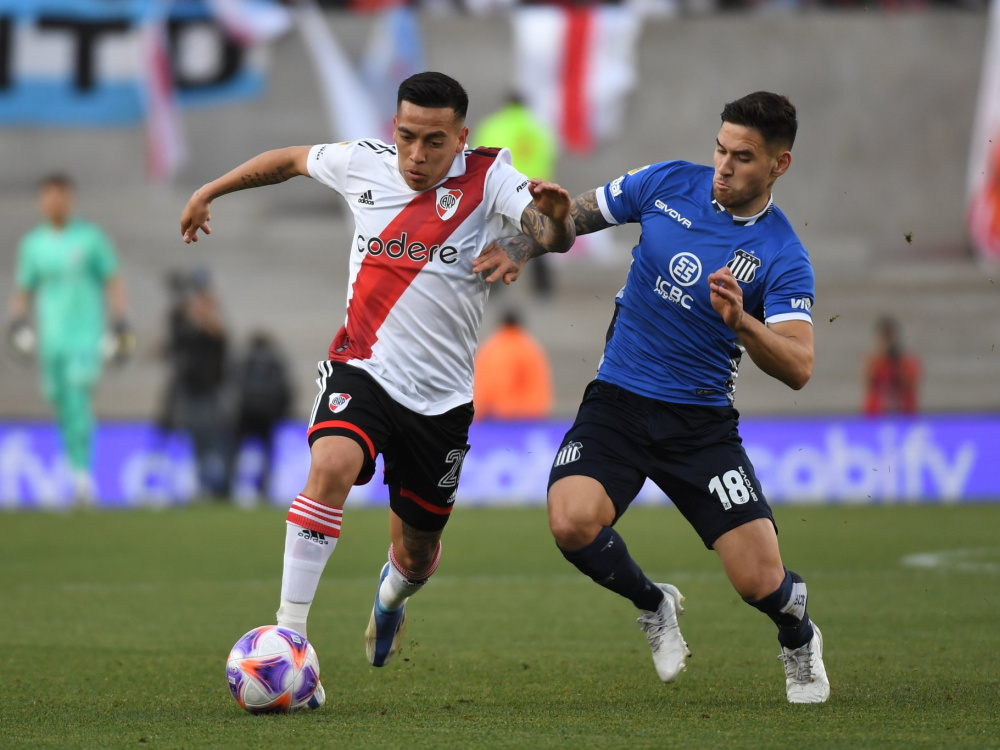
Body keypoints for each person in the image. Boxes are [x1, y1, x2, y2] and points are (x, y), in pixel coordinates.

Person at [180, 71, 574, 707]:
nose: (417, 156)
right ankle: (291, 638)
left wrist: (549, 226)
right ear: (394, 129)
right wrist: (211, 190)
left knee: (416, 554)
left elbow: (552, 234)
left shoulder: (490, 175)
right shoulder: (363, 162)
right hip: (363, 369)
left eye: (435, 142)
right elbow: (286, 161)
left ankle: (391, 595)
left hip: (442, 402)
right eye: (408, 137)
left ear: (461, 138)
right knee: (330, 463)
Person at [477, 91, 830, 703]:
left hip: (700, 425)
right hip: (618, 400)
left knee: (758, 582)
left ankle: (798, 636)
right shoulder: (665, 183)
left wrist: (743, 324)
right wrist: (533, 237)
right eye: (720, 149)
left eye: (743, 157)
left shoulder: (782, 254)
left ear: (780, 164)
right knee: (571, 521)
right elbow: (570, 225)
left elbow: (799, 366)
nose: (723, 166)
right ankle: (653, 602)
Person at [6, 174, 133, 506]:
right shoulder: (33, 245)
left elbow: (113, 280)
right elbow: (24, 290)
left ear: (70, 199)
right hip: (52, 340)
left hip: (85, 336)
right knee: (61, 404)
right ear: (41, 201)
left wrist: (119, 323)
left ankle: (82, 477)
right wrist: (18, 323)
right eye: (48, 197)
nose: (54, 202)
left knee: (78, 396)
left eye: (60, 196)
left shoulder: (90, 239)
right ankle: (76, 470)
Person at [474, 93, 559, 297]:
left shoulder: (493, 125)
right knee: (538, 235)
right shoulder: (539, 128)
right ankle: (543, 288)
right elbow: (550, 154)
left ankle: (492, 285)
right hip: (535, 190)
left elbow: (479, 157)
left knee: (494, 238)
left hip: (502, 191)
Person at [160, 267, 232, 498]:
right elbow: (174, 338)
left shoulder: (212, 321)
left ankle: (215, 487)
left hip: (211, 391)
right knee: (196, 439)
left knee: (211, 441)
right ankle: (200, 485)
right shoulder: (185, 319)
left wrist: (199, 307)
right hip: (191, 390)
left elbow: (217, 332)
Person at [233, 331, 294, 501]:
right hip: (270, 415)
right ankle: (265, 489)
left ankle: (240, 489)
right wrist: (282, 413)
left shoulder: (244, 361)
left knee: (242, 451)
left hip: (246, 413)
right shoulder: (276, 362)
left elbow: (235, 386)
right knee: (269, 454)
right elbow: (285, 389)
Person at [473, 309, 554, 420]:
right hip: (527, 417)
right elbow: (538, 385)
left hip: (494, 416)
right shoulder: (530, 348)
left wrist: (480, 413)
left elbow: (483, 384)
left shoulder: (490, 348)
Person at [862, 315, 921, 415]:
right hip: (876, 413)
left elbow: (910, 385)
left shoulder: (906, 361)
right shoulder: (873, 360)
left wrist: (897, 365)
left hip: (904, 411)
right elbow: (868, 383)